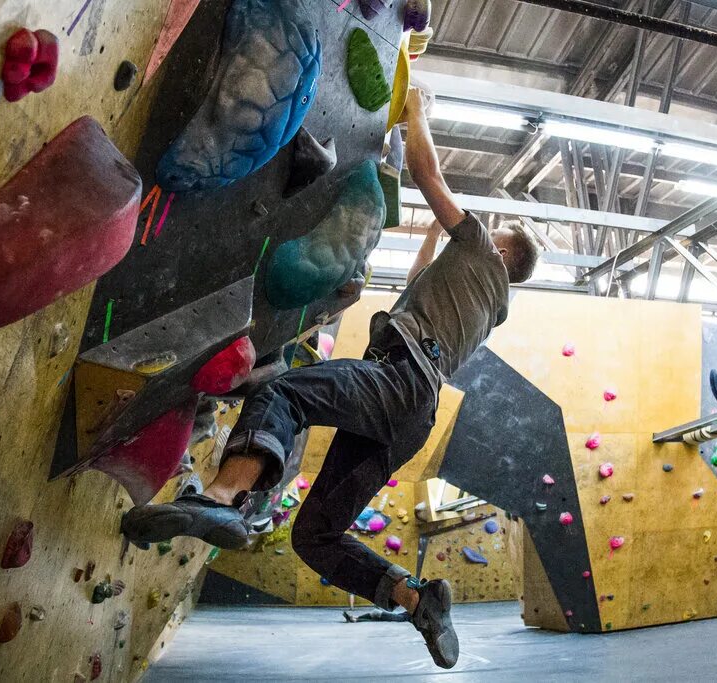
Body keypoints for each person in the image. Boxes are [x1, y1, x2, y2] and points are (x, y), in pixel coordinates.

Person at [120, 88, 541, 670]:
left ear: (499, 248)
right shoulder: (488, 305)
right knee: (315, 536)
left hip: (397, 380)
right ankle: (418, 599)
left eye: (488, 234)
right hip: (412, 416)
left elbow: (426, 172)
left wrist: (421, 114)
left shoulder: (481, 251)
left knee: (283, 389)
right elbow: (417, 283)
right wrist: (431, 239)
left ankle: (223, 499)